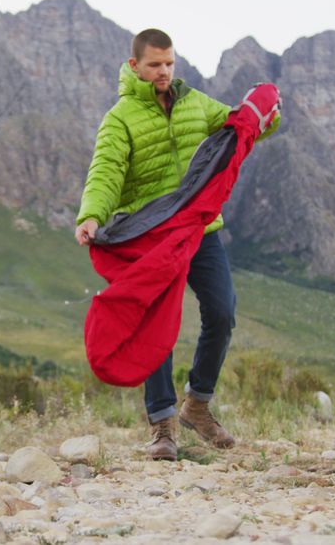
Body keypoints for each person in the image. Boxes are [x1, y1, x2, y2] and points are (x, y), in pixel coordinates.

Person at [76, 29, 261, 461]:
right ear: (135, 65)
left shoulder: (196, 103)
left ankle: (197, 405)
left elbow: (238, 129)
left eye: (169, 63)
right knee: (155, 323)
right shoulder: (120, 118)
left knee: (222, 311)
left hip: (201, 230)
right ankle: (162, 423)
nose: (164, 71)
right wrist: (92, 214)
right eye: (155, 64)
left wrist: (264, 114)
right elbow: (105, 171)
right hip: (151, 236)